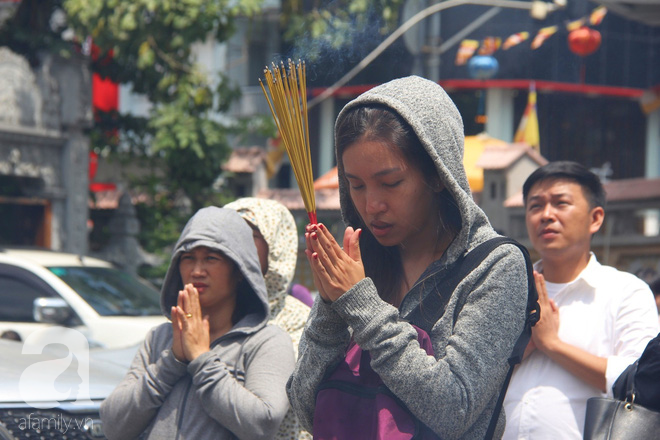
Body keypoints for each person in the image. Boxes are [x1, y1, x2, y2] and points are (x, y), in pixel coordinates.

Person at [286, 75, 530, 439]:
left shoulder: (494, 266)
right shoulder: (360, 264)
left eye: (391, 183)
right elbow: (307, 411)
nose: (371, 205)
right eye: (356, 185)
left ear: (437, 174)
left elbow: (453, 409)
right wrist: (330, 308)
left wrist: (360, 305)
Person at [100, 206, 295, 440]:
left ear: (240, 269)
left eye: (211, 258)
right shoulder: (161, 337)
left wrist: (203, 360)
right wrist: (171, 362)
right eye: (188, 258)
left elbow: (263, 423)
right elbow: (112, 426)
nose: (197, 270)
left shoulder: (267, 342)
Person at [502, 161, 660, 439]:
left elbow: (640, 381)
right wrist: (519, 352)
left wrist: (552, 345)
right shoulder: (506, 290)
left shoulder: (625, 291)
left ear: (595, 218)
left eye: (561, 203)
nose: (546, 215)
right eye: (535, 206)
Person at [224, 197, 312, 440]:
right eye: (224, 233)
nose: (231, 244)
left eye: (248, 234)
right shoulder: (203, 313)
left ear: (275, 245)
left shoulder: (298, 319)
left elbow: (263, 414)